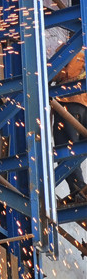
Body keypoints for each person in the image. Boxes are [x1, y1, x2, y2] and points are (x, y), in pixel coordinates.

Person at [51, 50, 87, 203]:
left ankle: (79, 190)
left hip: (70, 103)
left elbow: (60, 72)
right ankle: (80, 190)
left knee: (66, 150)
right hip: (84, 106)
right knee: (77, 151)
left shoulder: (73, 49)